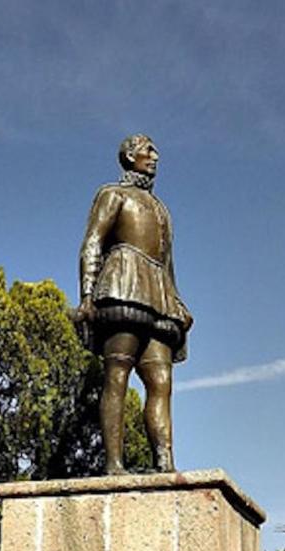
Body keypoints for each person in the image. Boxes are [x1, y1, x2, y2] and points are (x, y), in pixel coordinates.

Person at [74, 134, 193, 475]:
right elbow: (93, 242)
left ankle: (165, 462)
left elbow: (168, 263)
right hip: (123, 284)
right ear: (129, 156)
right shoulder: (112, 194)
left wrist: (178, 302)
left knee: (161, 382)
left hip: (159, 294)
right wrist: (86, 294)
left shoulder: (161, 210)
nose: (155, 156)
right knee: (118, 374)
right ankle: (114, 463)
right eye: (148, 150)